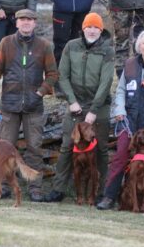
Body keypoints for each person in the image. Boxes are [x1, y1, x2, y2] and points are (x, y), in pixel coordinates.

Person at [0, 9, 59, 202]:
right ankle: (4, 187)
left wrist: (40, 92)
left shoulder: (44, 46)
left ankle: (35, 189)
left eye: (30, 20)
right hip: (9, 105)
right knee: (4, 148)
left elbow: (53, 75)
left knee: (35, 147)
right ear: (16, 23)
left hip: (34, 106)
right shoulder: (6, 43)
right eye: (22, 19)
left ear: (34, 23)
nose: (26, 23)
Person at [96, 29, 144, 211]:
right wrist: (119, 109)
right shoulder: (129, 65)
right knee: (120, 158)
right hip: (128, 122)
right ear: (138, 46)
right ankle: (109, 197)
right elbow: (120, 90)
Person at [44, 12, 114, 203]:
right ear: (83, 28)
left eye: (96, 27)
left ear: (101, 30)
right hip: (75, 103)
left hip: (99, 106)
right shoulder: (71, 46)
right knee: (67, 146)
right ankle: (58, 190)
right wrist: (72, 101)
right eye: (88, 27)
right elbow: (62, 75)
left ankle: (102, 194)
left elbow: (106, 81)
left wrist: (93, 110)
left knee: (100, 150)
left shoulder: (107, 50)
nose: (92, 30)